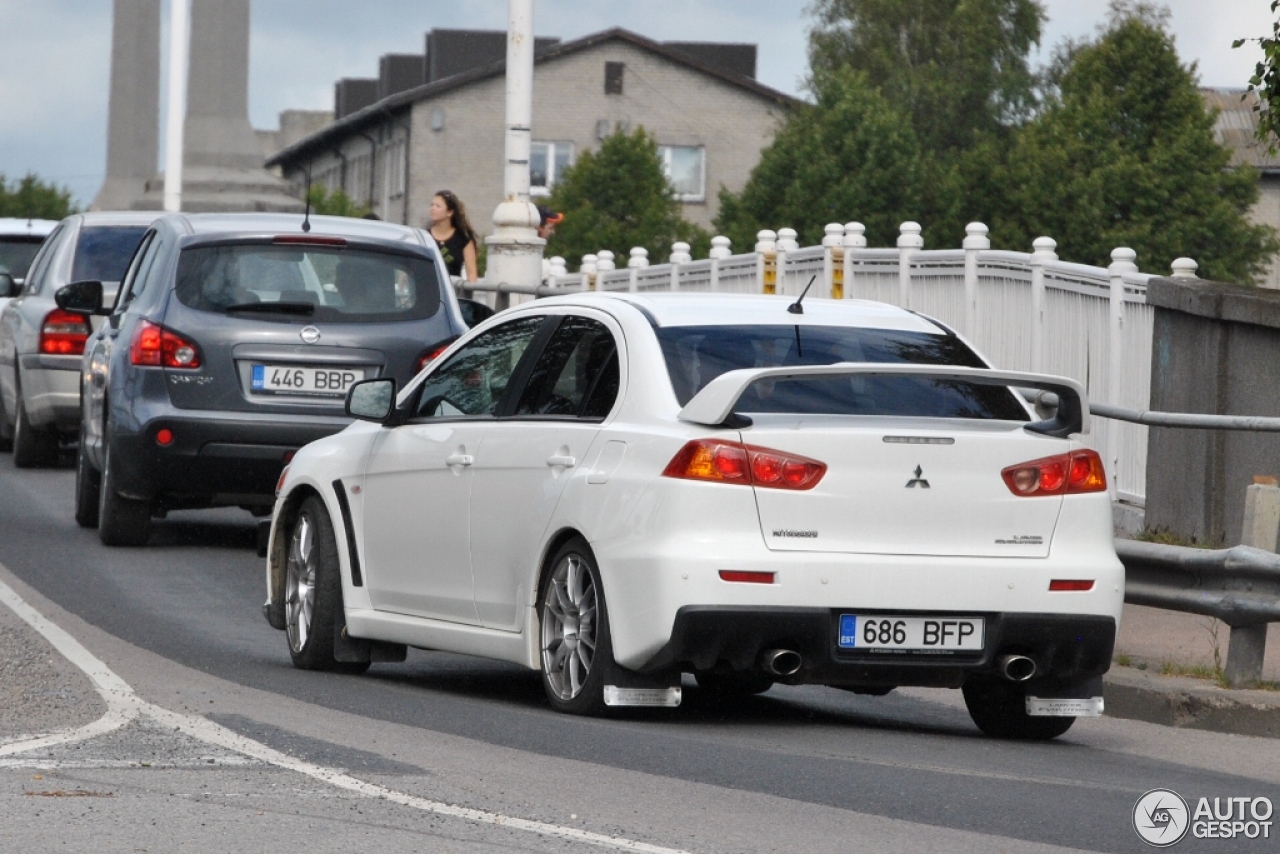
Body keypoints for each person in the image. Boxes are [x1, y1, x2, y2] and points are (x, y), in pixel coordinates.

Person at [428, 190, 478, 283]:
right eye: (432, 205)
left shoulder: (463, 238)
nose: (432, 208)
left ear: (450, 212)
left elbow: (472, 273)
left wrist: (469, 294)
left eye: (437, 206)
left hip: (452, 290)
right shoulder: (425, 236)